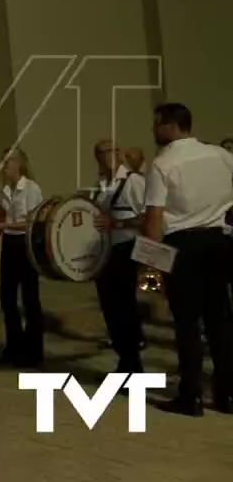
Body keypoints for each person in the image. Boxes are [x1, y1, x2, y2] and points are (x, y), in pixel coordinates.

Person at [142, 103, 233, 416]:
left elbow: (153, 218)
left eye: (157, 124)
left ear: (170, 126)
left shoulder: (162, 164)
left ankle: (190, 395)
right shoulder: (221, 156)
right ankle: (227, 394)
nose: (153, 130)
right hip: (219, 242)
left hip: (182, 246)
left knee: (187, 324)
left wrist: (150, 266)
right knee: (220, 322)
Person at [91, 140, 146, 375]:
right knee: (110, 307)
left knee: (124, 306)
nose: (106, 156)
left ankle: (133, 364)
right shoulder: (102, 184)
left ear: (119, 153)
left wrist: (117, 223)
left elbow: (147, 217)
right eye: (100, 153)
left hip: (126, 247)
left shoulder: (134, 181)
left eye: (110, 151)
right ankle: (125, 360)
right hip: (106, 251)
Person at [0, 147, 45, 368]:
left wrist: (3, 225)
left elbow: (33, 221)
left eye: (8, 162)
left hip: (26, 244)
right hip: (9, 245)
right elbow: (2, 219)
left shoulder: (32, 189)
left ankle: (34, 352)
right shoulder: (3, 191)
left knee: (30, 299)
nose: (5, 166)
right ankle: (14, 347)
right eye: (3, 162)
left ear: (20, 163)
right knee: (7, 299)